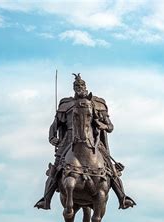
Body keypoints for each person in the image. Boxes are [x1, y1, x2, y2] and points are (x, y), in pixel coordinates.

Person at [34, 74, 136, 210]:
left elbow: (110, 126)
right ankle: (46, 199)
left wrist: (103, 126)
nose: (79, 88)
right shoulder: (66, 104)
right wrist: (53, 138)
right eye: (77, 86)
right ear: (74, 88)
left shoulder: (98, 103)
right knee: (56, 168)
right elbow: (55, 125)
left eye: (81, 86)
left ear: (85, 87)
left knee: (111, 168)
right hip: (68, 140)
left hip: (93, 141)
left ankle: (122, 197)